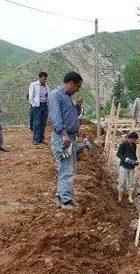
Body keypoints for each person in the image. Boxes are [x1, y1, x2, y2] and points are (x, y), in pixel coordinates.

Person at [48, 71, 83, 209]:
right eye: (77, 86)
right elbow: (56, 117)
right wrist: (63, 134)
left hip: (69, 137)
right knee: (66, 170)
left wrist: (78, 106)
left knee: (67, 168)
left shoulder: (67, 97)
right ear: (71, 83)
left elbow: (70, 115)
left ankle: (62, 196)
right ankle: (65, 201)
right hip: (63, 138)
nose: (78, 90)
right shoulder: (56, 95)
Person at [116, 131, 139, 203]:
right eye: (134, 139)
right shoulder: (123, 144)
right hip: (123, 165)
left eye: (135, 140)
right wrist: (125, 159)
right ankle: (120, 198)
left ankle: (130, 197)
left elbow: (134, 155)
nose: (134, 141)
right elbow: (118, 154)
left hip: (131, 166)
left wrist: (135, 161)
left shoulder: (134, 145)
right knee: (122, 181)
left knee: (131, 182)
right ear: (130, 138)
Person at [28, 71, 49, 145]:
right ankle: (35, 139)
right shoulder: (34, 85)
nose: (44, 80)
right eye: (43, 79)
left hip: (45, 106)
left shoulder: (47, 86)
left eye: (45, 79)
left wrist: (47, 104)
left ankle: (41, 138)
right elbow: (30, 97)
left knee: (43, 123)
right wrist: (34, 105)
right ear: (39, 78)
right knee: (37, 123)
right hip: (37, 106)